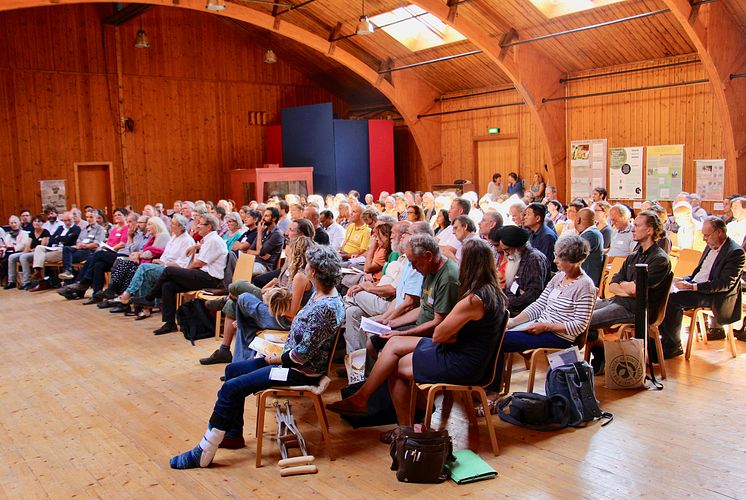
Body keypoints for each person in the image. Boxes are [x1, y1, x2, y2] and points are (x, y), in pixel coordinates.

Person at [169, 245, 344, 469]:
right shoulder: (326, 295)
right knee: (232, 371)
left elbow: (300, 356)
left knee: (230, 388)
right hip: (291, 363)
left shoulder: (326, 307)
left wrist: (274, 358)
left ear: (316, 273)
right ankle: (232, 434)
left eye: (308, 266)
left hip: (299, 372)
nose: (305, 269)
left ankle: (205, 449)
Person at [326, 239, 507, 432]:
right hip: (467, 354)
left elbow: (438, 334)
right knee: (394, 344)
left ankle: (404, 426)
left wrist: (449, 332)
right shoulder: (492, 294)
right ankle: (369, 399)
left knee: (395, 366)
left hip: (462, 361)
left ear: (468, 265)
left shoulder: (473, 299)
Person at [588, 211, 671, 367]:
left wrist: (626, 287)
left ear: (650, 230)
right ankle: (604, 353)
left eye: (637, 226)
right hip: (618, 301)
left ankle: (604, 354)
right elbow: (612, 285)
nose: (633, 229)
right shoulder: (634, 256)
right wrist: (627, 287)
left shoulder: (659, 259)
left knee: (584, 321)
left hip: (636, 310)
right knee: (579, 313)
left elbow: (636, 290)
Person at [659, 217, 745, 355]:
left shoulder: (735, 252)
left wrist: (693, 287)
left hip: (716, 295)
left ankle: (673, 346)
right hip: (699, 287)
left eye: (707, 235)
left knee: (673, 299)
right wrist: (683, 280)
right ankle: (660, 340)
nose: (704, 239)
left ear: (719, 232)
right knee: (662, 291)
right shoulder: (710, 245)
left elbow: (724, 284)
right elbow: (698, 273)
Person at [135, 214, 228, 335]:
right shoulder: (209, 239)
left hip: (210, 279)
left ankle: (150, 298)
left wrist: (186, 271)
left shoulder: (214, 240)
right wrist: (196, 246)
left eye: (200, 223)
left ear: (209, 227)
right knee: (168, 285)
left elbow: (199, 263)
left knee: (169, 271)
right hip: (203, 275)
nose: (197, 226)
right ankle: (169, 323)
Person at [494, 226, 549, 316]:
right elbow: (511, 288)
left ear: (518, 246)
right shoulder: (516, 257)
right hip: (511, 306)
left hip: (526, 311)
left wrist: (507, 301)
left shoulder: (534, 259)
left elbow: (534, 294)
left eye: (507, 250)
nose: (506, 254)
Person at [6, 215, 49, 290]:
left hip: (39, 253)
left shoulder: (45, 232)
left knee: (23, 257)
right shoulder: (32, 233)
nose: (36, 223)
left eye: (39, 221)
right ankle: (11, 281)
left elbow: (42, 246)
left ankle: (26, 281)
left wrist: (30, 251)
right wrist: (25, 251)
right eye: (35, 221)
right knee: (12, 257)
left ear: (42, 223)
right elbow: (28, 245)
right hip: (30, 251)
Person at [246, 207, 285, 275]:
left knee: (245, 270)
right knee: (238, 266)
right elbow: (249, 250)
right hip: (254, 261)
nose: (263, 218)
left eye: (266, 216)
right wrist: (258, 253)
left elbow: (260, 252)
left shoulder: (277, 234)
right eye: (263, 215)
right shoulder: (264, 230)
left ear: (274, 218)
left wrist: (259, 233)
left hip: (265, 266)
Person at [523, 202, 558, 269]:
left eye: (528, 214)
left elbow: (545, 262)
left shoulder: (547, 236)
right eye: (525, 214)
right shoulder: (530, 232)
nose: (525, 217)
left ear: (538, 218)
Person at [576, 208, 604, 287]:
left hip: (584, 282)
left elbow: (572, 256)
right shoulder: (591, 233)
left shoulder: (590, 235)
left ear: (578, 220)